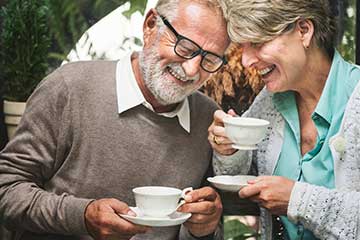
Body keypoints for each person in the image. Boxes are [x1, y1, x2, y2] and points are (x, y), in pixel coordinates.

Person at [0, 0, 230, 239]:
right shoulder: (69, 88)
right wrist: (82, 216)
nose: (193, 70)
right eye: (185, 47)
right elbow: (6, 188)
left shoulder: (208, 119)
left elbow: (206, 223)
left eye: (210, 59)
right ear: (150, 25)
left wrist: (204, 228)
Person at [208, 0, 360, 239]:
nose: (246, 61)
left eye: (257, 42)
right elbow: (242, 175)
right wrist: (230, 149)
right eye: (242, 46)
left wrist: (296, 199)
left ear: (303, 31)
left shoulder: (356, 97)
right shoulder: (270, 100)